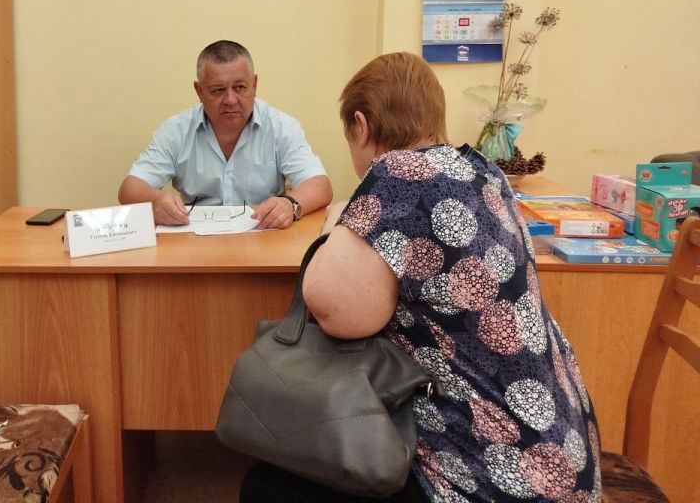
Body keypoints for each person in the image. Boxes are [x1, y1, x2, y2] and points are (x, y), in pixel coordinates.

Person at [241, 52, 601, 503]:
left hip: (493, 477)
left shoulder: (396, 174)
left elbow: (336, 312)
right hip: (564, 460)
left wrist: (336, 227)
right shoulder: (482, 170)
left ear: (361, 126)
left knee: (264, 488)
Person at [119, 40, 332, 229]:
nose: (230, 100)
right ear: (199, 91)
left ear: (254, 84)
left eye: (239, 87)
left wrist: (290, 204)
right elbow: (129, 189)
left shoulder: (281, 127)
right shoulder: (176, 131)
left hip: (262, 235)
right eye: (218, 90)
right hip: (194, 242)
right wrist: (155, 201)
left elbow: (320, 185)